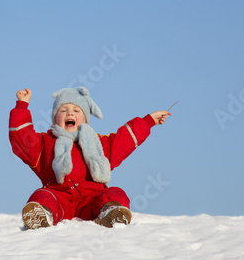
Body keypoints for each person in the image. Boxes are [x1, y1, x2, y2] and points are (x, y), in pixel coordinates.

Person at [9, 87, 171, 230]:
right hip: (59, 198)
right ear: (55, 119)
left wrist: (149, 121)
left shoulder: (98, 144)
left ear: (85, 119)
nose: (70, 113)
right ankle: (42, 215)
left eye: (76, 110)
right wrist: (22, 105)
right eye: (63, 110)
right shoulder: (44, 144)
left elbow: (124, 140)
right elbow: (21, 138)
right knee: (42, 195)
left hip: (91, 200)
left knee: (115, 193)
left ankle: (111, 212)